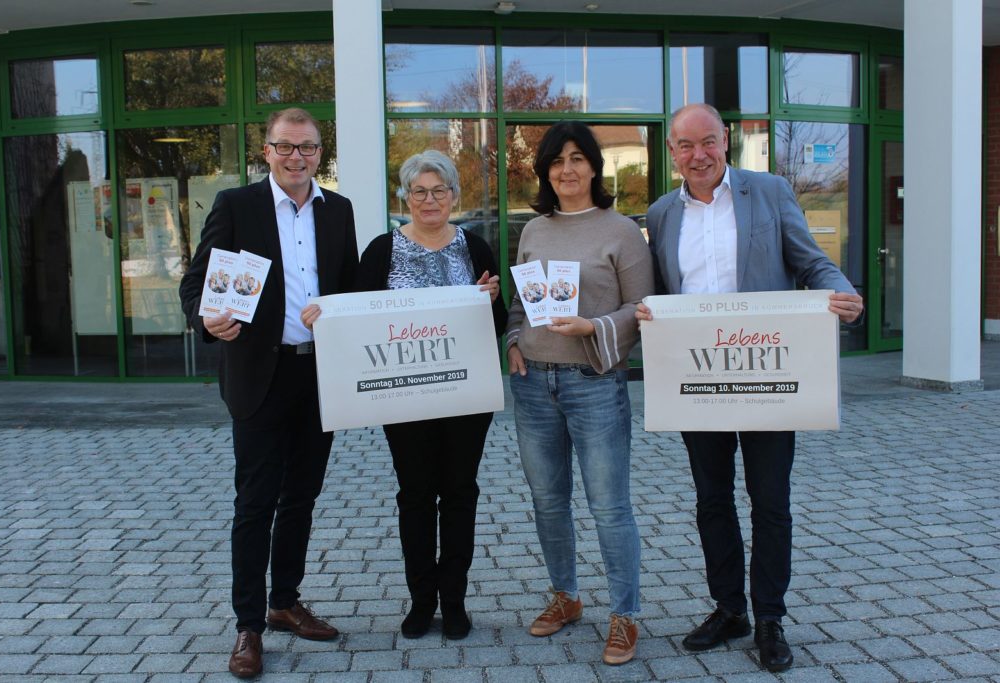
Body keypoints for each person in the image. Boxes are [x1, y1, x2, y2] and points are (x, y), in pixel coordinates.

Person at [636, 103, 864, 673]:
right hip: (698, 380)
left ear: (726, 140)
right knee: (712, 500)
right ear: (672, 153)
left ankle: (769, 617)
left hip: (767, 376)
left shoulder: (769, 192)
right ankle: (728, 608)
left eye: (708, 142)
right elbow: (659, 289)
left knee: (770, 502)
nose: (699, 155)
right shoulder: (662, 212)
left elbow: (812, 264)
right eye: (686, 146)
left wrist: (843, 293)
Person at [179, 107, 358, 679]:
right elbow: (196, 282)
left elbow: (350, 287)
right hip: (261, 374)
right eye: (285, 146)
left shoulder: (340, 210)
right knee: (255, 504)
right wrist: (205, 319)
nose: (296, 157)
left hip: (320, 374)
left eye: (307, 148)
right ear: (267, 150)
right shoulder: (238, 206)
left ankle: (285, 600)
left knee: (301, 496)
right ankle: (248, 626)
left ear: (319, 153)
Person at [506, 121, 653, 666]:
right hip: (534, 384)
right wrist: (513, 341)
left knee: (609, 506)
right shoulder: (534, 230)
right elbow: (522, 302)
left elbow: (640, 311)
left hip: (594, 383)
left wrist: (593, 328)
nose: (567, 169)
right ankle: (565, 598)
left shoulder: (621, 231)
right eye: (556, 161)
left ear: (595, 166)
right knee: (548, 502)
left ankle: (625, 615)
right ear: (545, 171)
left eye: (577, 158)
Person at [353, 150, 506, 640]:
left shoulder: (476, 249)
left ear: (455, 196)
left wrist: (495, 301)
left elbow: (496, 325)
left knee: (460, 492)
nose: (429, 199)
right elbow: (358, 317)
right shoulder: (381, 251)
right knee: (415, 494)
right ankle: (422, 599)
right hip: (403, 397)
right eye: (419, 191)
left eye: (439, 190)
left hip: (466, 396)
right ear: (405, 197)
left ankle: (455, 600)